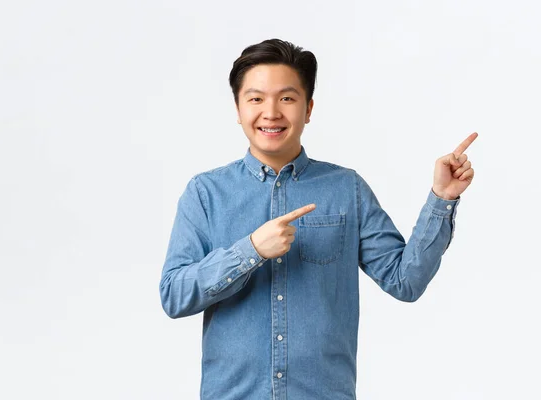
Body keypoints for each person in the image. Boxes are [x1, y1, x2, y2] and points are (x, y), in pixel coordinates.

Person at [159, 38, 477, 400]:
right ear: (238, 108)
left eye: (287, 98)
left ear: (308, 109)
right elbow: (174, 296)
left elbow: (404, 282)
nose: (272, 112)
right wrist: (250, 251)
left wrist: (442, 199)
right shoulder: (205, 193)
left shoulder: (345, 188)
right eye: (256, 98)